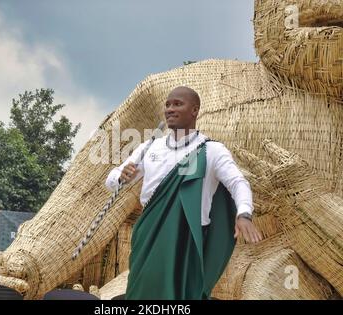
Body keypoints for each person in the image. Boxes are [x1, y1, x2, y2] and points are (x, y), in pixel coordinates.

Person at [105, 86, 262, 300]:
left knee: (183, 296)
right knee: (141, 293)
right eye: (168, 105)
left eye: (178, 104)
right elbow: (111, 181)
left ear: (195, 110)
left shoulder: (211, 150)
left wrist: (244, 213)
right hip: (149, 232)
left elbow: (238, 182)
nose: (170, 109)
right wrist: (121, 176)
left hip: (188, 238)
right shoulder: (150, 147)